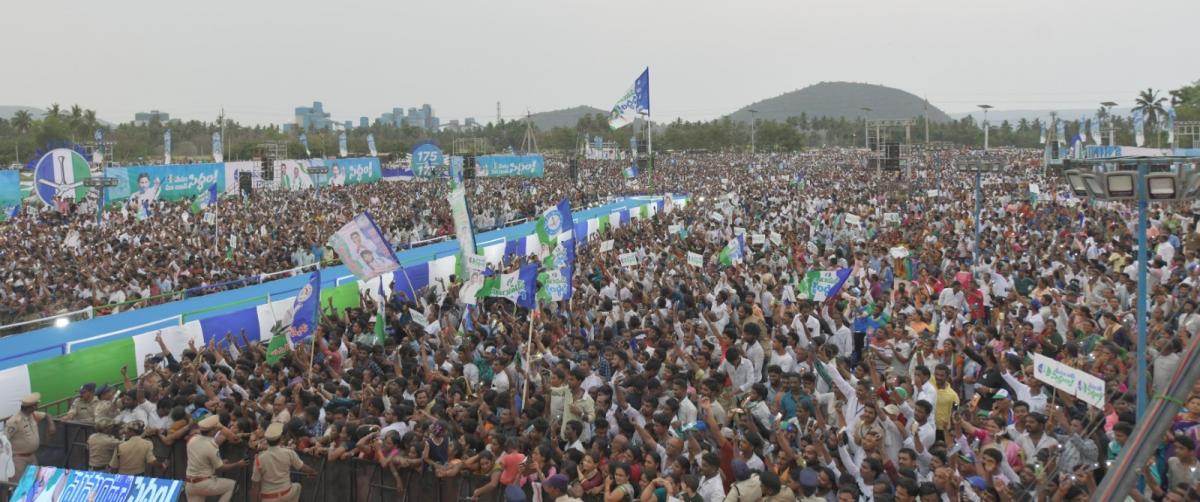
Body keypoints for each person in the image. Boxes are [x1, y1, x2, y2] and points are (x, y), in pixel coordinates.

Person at [184, 415, 246, 502]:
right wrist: (237, 464)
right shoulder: (211, 444)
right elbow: (220, 467)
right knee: (233, 485)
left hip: (189, 484)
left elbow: (202, 459)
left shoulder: (192, 438)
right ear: (212, 430)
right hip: (204, 483)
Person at [251, 422, 317, 502]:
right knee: (297, 486)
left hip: (268, 498)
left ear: (267, 440)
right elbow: (303, 467)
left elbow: (255, 486)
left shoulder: (259, 458)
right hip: (287, 495)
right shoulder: (289, 452)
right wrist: (313, 472)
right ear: (281, 438)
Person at [6, 393, 53, 483]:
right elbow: (5, 439)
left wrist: (51, 425)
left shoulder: (33, 415)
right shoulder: (14, 421)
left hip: (32, 457)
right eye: (36, 405)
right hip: (18, 459)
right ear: (32, 407)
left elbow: (47, 415)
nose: (37, 406)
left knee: (34, 482)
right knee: (18, 484)